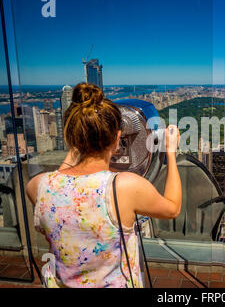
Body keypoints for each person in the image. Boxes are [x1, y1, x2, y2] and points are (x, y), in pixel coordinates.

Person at [26, 83, 181, 288]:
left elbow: (64, 176)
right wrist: (169, 151)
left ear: (71, 138)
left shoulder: (37, 186)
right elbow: (172, 208)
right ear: (118, 139)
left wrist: (76, 145)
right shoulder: (124, 187)